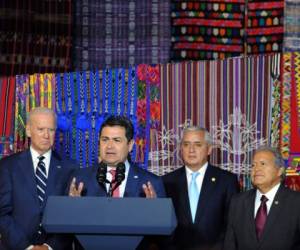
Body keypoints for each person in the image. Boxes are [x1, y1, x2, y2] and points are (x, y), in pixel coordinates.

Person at [0, 107, 75, 250]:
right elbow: (3, 214)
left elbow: (71, 216)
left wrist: (49, 246)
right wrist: (27, 247)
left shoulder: (70, 168)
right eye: (40, 129)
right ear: (28, 130)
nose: (46, 135)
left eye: (51, 130)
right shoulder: (7, 166)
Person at [163, 126, 239, 250]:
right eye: (186, 144)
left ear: (209, 149)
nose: (191, 150)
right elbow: (164, 225)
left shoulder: (227, 181)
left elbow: (232, 225)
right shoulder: (167, 181)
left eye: (198, 145)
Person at [69, 115, 165, 198]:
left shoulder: (151, 183)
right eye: (105, 139)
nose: (109, 146)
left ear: (130, 145)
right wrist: (76, 207)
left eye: (117, 140)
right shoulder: (80, 180)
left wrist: (153, 210)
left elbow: (162, 218)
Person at [223, 146, 300, 250]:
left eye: (263, 164)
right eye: (253, 165)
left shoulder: (295, 202)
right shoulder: (238, 202)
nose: (256, 169)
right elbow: (230, 244)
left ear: (279, 171)